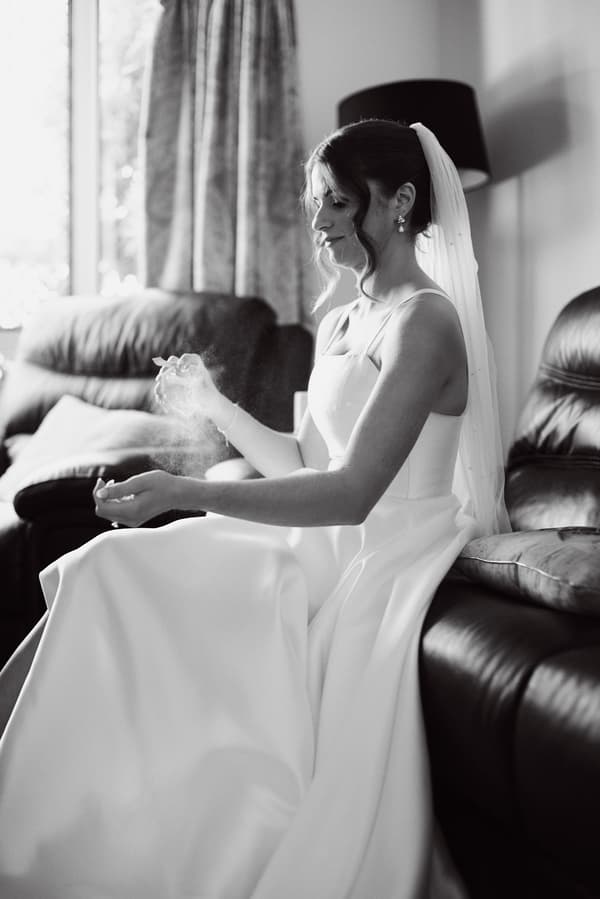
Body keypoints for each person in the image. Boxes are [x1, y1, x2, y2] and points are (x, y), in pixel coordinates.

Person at [0, 120, 508, 899]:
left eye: (341, 202)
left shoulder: (426, 323)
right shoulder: (345, 317)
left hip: (370, 552)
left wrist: (186, 493)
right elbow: (305, 459)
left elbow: (350, 491)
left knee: (117, 566)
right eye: (316, 203)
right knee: (100, 567)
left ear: (402, 200)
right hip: (318, 535)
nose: (320, 222)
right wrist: (212, 402)